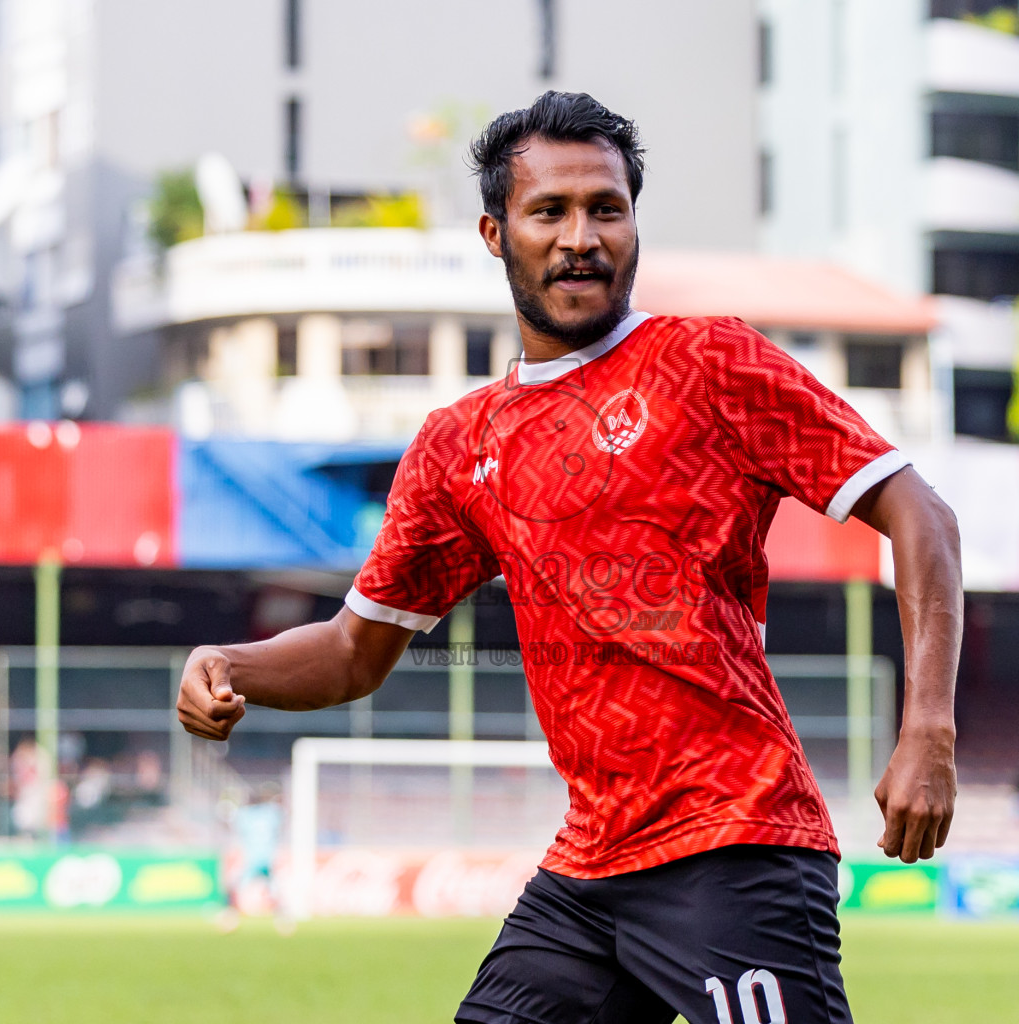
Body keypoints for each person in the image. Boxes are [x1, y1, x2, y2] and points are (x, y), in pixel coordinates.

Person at [177, 91, 962, 1024]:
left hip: (735, 846)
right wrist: (232, 666)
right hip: (590, 872)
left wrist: (929, 730)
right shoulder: (458, 445)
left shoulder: (711, 363)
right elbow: (355, 651)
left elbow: (923, 516)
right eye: (549, 211)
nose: (580, 236)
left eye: (607, 208)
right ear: (495, 232)